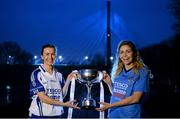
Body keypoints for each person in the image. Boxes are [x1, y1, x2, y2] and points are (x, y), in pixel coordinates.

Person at [96, 40, 150, 118]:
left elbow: (135, 98)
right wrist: (109, 82)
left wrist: (110, 105)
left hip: (129, 115)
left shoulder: (142, 72)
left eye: (128, 51)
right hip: (113, 114)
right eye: (121, 52)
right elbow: (118, 94)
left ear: (134, 53)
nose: (124, 55)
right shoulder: (118, 71)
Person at [28, 44, 80, 118]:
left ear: (55, 56)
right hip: (40, 115)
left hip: (57, 114)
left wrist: (68, 79)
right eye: (47, 54)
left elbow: (61, 95)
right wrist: (64, 104)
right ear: (42, 56)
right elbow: (42, 98)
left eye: (53, 54)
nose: (50, 57)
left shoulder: (59, 75)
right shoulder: (37, 73)